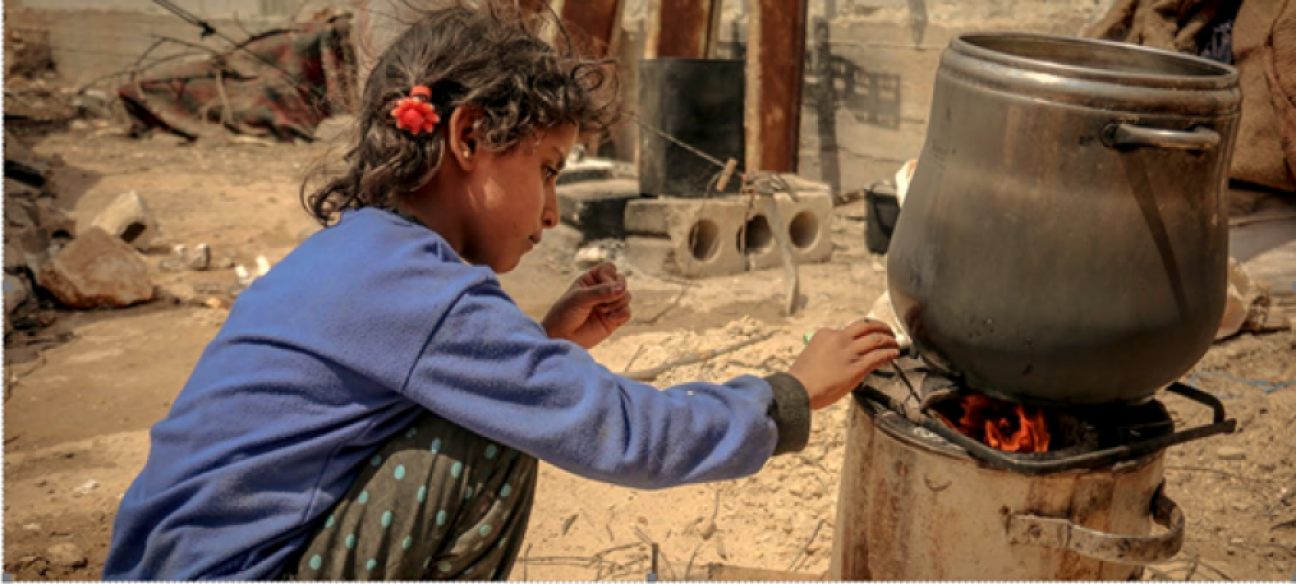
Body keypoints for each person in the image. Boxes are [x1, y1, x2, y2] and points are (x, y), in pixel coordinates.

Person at [102, 2, 900, 580]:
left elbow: (408, 383)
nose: (553, 212)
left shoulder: (365, 256)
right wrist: (788, 394)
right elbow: (621, 432)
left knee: (491, 409)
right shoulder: (426, 296)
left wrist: (543, 346)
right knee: (494, 435)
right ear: (469, 137)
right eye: (548, 171)